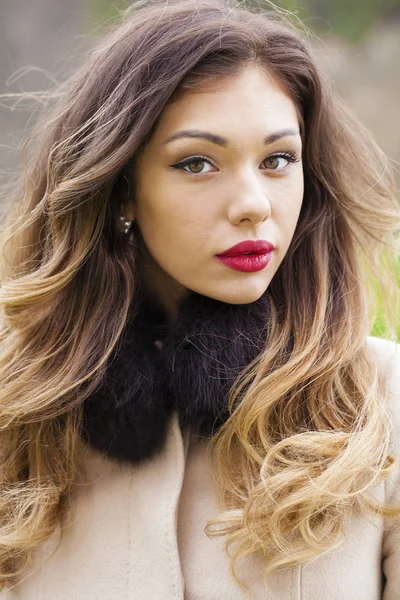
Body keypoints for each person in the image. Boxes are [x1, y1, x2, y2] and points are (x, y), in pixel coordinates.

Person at [0, 0, 399, 598]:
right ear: (121, 189)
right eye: (197, 163)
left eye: (278, 160)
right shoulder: (16, 409)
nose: (254, 203)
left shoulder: (384, 403)